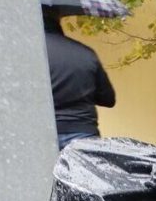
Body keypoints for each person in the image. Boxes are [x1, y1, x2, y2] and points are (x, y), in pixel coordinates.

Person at [42, 8, 116, 150]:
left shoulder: (26, 56)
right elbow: (108, 99)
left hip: (42, 133)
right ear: (58, 21)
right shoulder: (85, 53)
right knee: (83, 173)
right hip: (83, 133)